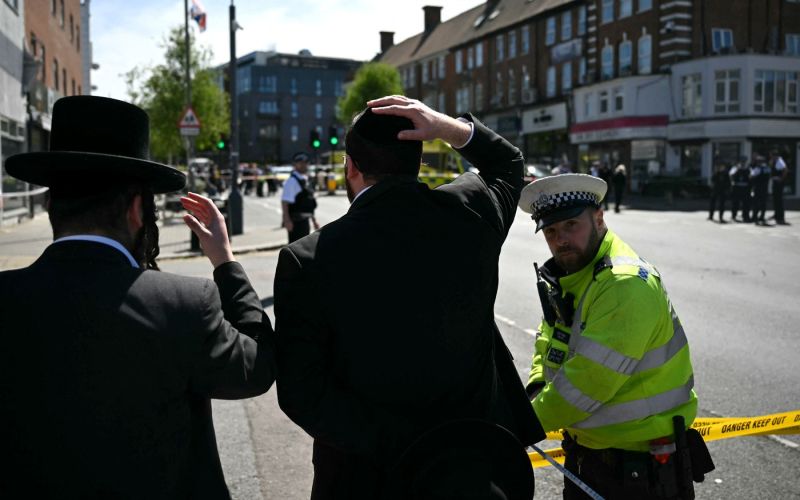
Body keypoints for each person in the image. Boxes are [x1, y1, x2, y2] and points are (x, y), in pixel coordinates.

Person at [0, 96, 276, 498]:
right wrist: (226, 263)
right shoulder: (183, 303)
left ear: (47, 205)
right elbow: (258, 367)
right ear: (135, 210)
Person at [274, 96, 544, 500]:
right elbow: (508, 164)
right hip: (471, 471)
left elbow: (301, 392)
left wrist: (396, 442)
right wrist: (447, 127)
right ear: (418, 162)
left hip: (366, 477)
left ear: (351, 168)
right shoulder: (470, 211)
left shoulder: (307, 259)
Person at [518, 173, 713, 499]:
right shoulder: (572, 273)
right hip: (592, 457)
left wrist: (519, 425)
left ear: (598, 219)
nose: (561, 239)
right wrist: (538, 383)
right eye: (551, 231)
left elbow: (584, 386)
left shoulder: (623, 284)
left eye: (571, 225)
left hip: (637, 470)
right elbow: (549, 336)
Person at [281, 151, 319, 242]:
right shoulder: (292, 181)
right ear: (295, 165)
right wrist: (287, 221)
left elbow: (308, 202)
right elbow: (285, 202)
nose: (303, 165)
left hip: (304, 221)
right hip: (295, 222)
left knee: (303, 249)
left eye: (305, 163)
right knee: (296, 249)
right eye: (300, 163)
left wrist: (314, 221)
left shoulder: (305, 180)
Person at [750, 154, 771, 225]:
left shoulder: (757, 169)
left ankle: (755, 217)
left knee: (756, 203)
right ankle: (762, 216)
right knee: (763, 203)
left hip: (758, 188)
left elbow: (751, 176)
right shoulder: (767, 168)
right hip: (765, 188)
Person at [729, 156, 751, 222]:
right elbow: (730, 175)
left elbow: (751, 176)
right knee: (735, 202)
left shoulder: (748, 168)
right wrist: (732, 182)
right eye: (742, 161)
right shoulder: (735, 168)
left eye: (744, 161)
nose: (743, 162)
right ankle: (734, 215)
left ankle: (745, 216)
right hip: (737, 187)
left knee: (746, 203)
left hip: (745, 188)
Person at [770, 151, 789, 225]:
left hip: (779, 183)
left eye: (772, 156)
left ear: (776, 156)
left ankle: (780, 217)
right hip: (775, 182)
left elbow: (785, 170)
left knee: (779, 200)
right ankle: (776, 214)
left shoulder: (780, 161)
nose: (771, 157)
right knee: (775, 199)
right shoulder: (775, 161)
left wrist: (781, 179)